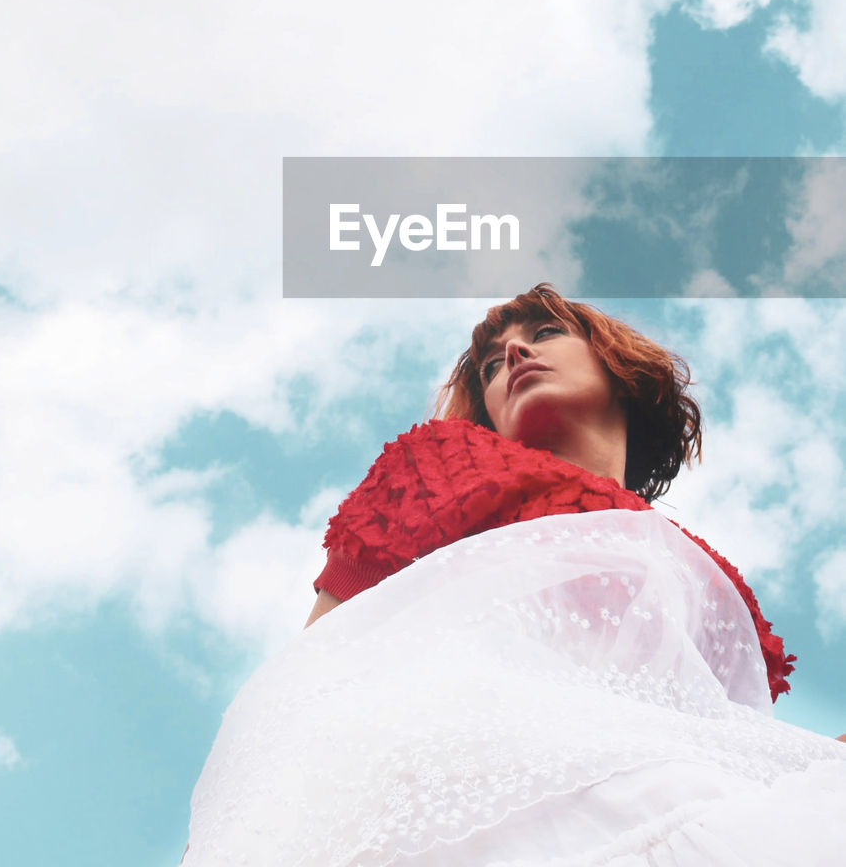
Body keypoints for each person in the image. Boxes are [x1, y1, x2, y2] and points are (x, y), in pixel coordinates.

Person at [185, 285, 846, 865]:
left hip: (657, 795)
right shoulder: (442, 463)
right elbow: (316, 661)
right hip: (455, 802)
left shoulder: (706, 575)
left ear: (618, 364)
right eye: (489, 361)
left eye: (546, 332)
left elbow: (721, 736)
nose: (512, 355)